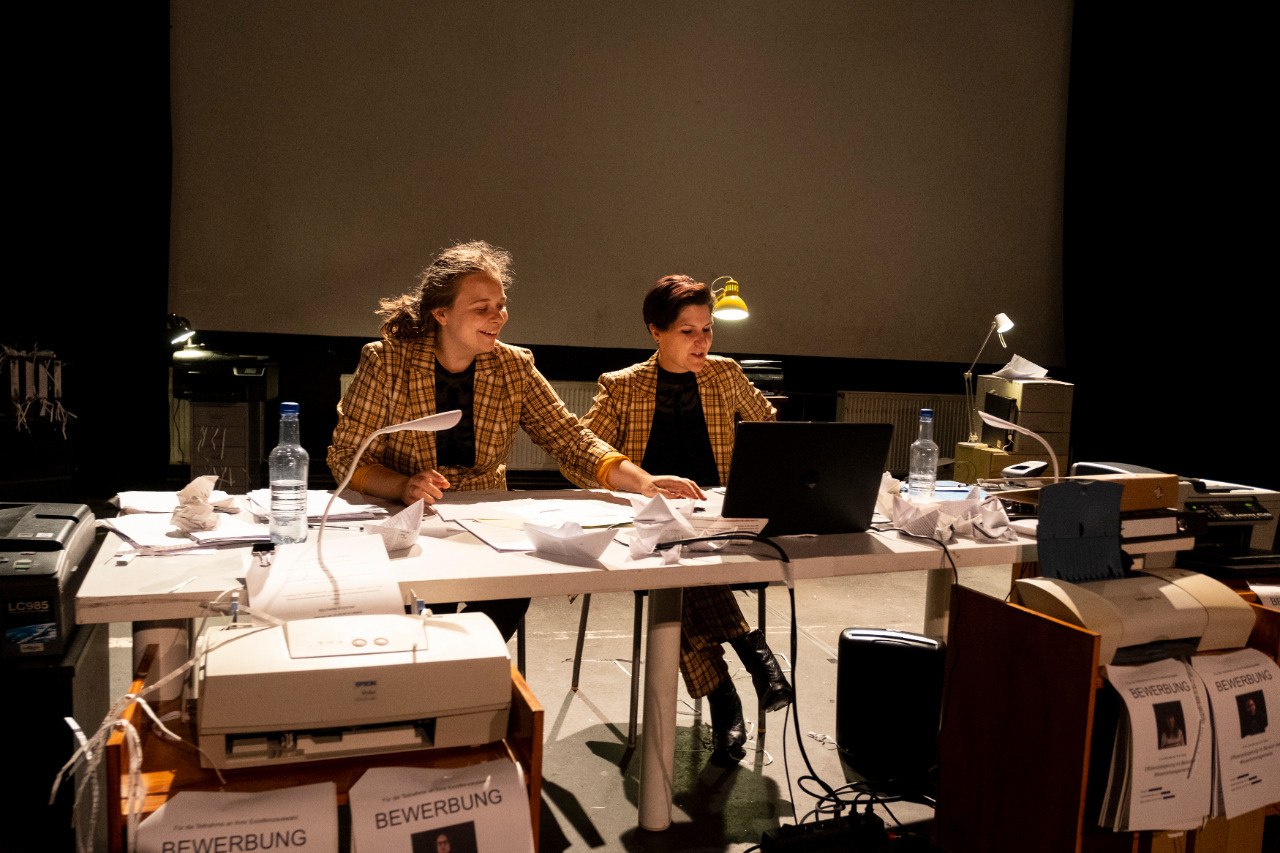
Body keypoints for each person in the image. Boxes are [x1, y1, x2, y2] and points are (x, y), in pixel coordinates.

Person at [328, 241, 703, 641]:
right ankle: (454, 667)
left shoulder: (513, 366)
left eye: (501, 305)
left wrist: (644, 482)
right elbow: (348, 457)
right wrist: (403, 485)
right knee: (428, 602)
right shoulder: (387, 361)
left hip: (482, 525)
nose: (498, 317)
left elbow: (571, 439)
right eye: (482, 308)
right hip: (405, 521)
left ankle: (467, 665)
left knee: (512, 593)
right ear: (441, 313)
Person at [562, 273, 794, 766]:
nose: (701, 342)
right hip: (648, 520)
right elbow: (577, 457)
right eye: (687, 331)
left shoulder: (724, 374)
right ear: (656, 331)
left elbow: (770, 428)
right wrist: (639, 480)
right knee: (679, 569)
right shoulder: (623, 386)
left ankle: (725, 698)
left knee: (682, 574)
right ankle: (750, 657)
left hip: (717, 514)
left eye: (707, 330)